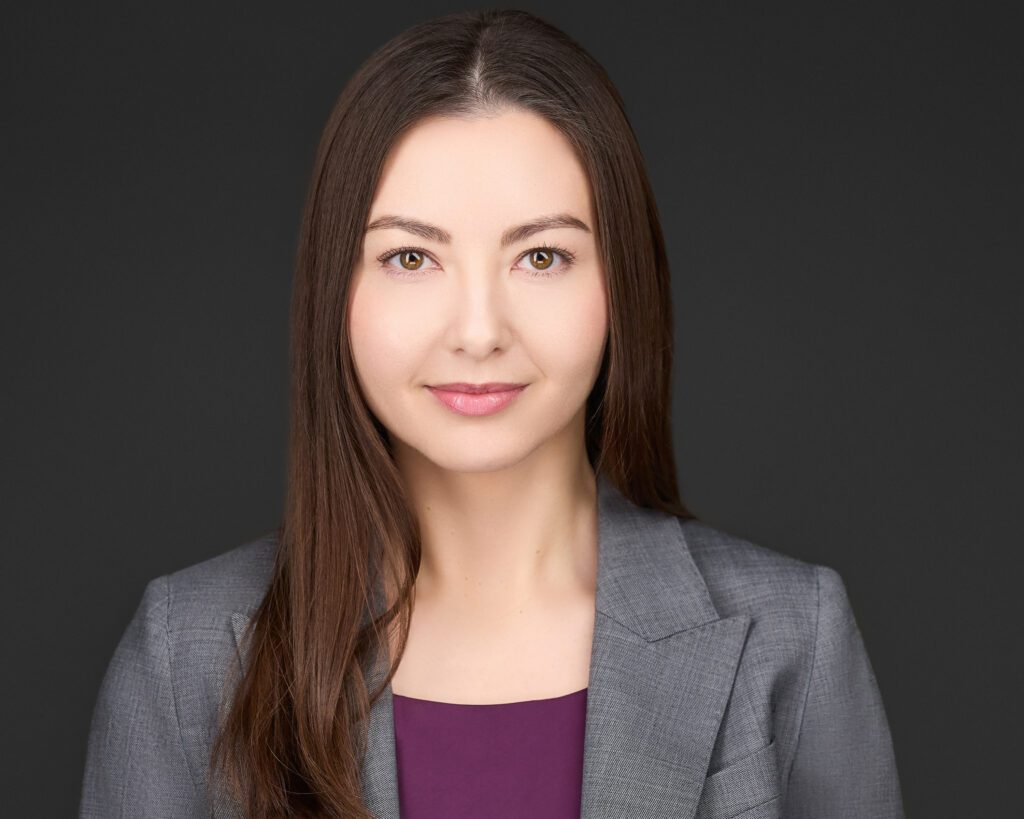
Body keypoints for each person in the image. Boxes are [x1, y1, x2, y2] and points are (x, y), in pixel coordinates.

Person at [79, 9, 904, 819]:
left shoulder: (793, 634)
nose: (478, 331)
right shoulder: (185, 654)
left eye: (541, 256)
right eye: (410, 257)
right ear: (334, 291)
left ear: (622, 281)